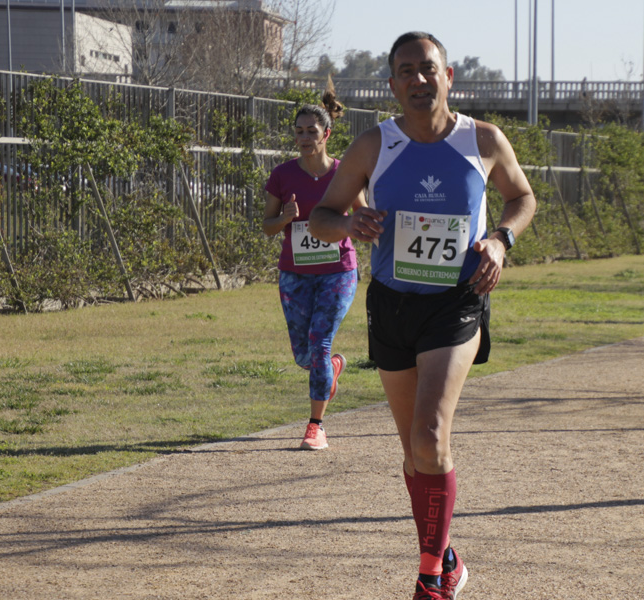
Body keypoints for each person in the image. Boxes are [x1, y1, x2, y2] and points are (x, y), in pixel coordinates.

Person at [310, 32, 536, 600]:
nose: (418, 79)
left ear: (448, 75)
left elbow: (523, 197)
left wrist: (501, 240)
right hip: (391, 303)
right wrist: (349, 226)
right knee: (414, 449)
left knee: (432, 436)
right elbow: (321, 216)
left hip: (456, 302)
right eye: (405, 71)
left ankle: (431, 576)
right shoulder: (373, 145)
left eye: (427, 68)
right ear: (392, 83)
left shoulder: (481, 139)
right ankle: (447, 555)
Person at [262, 92, 365, 451]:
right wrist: (286, 219)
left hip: (338, 270)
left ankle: (315, 425)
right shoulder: (282, 174)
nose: (304, 137)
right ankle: (332, 368)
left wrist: (342, 224)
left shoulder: (345, 173)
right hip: (295, 273)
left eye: (311, 131)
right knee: (305, 356)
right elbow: (266, 226)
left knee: (319, 345)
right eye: (299, 131)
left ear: (327, 134)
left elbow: (361, 215)